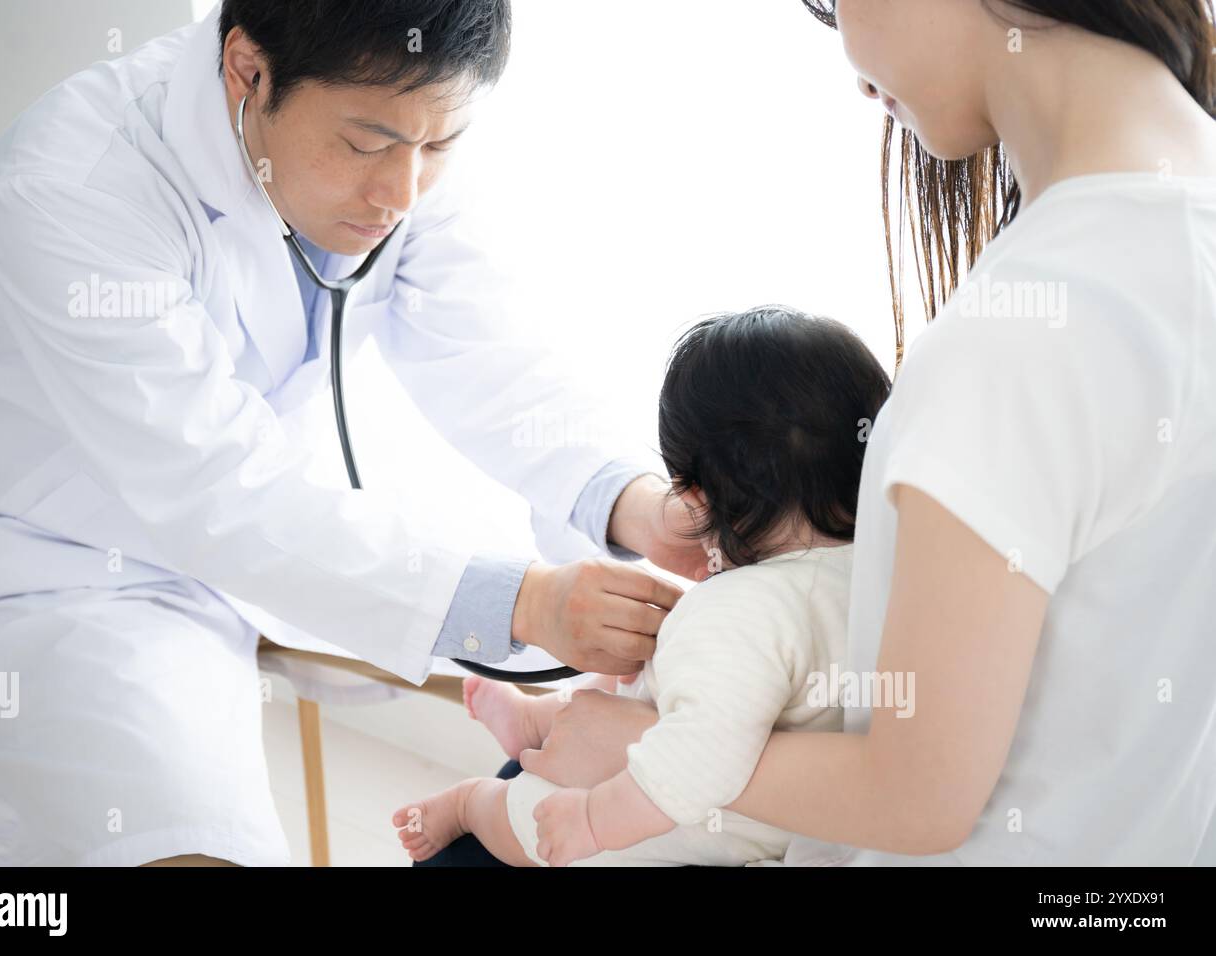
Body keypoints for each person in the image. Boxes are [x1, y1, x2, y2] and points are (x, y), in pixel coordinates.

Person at [0, 0, 705, 867]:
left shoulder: (398, 124)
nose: (401, 194)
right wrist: (522, 603)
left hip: (285, 506)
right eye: (368, 146)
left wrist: (634, 503)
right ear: (247, 70)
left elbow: (491, 351)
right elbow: (215, 488)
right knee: (178, 840)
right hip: (77, 572)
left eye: (439, 147)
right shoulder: (71, 192)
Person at [426, 0, 1216, 866]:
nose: (850, 52)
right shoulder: (1162, 236)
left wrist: (639, 751)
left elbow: (918, 797)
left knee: (493, 822)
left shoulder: (1021, 333)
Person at [396, 307, 890, 866]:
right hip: (802, 808)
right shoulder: (891, 577)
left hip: (696, 823)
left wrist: (591, 818)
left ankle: (467, 804)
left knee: (521, 815)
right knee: (644, 666)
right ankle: (535, 719)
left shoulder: (735, 614)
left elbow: (691, 759)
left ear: (693, 497)